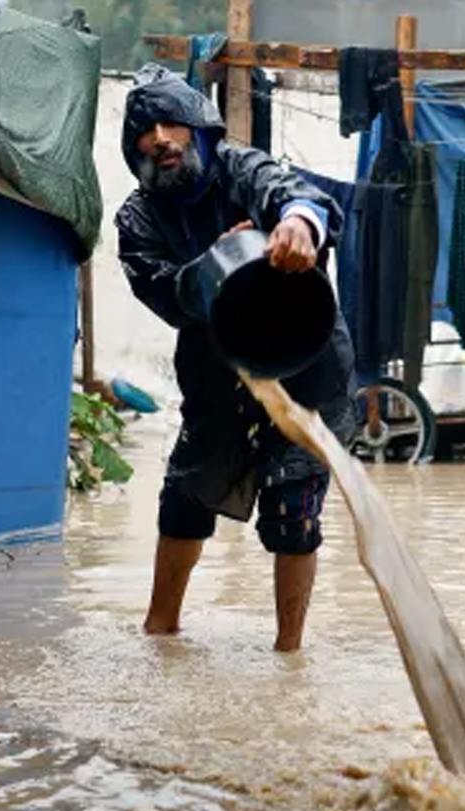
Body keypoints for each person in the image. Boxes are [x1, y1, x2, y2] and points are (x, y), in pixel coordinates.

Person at [115, 65, 356, 653]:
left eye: (174, 123)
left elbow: (296, 195)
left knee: (293, 516)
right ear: (135, 150)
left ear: (200, 130)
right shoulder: (137, 219)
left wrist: (299, 223)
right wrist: (219, 261)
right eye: (148, 132)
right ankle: (159, 633)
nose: (163, 139)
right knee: (183, 500)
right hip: (215, 367)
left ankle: (289, 655)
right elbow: (167, 294)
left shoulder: (243, 169)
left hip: (304, 363)